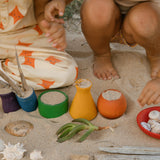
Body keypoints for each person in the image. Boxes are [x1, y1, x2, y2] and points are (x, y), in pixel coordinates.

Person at [45, 0, 160, 107]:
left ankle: (156, 56)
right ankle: (102, 54)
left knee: (145, 20)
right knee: (96, 8)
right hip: (103, 21)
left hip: (145, 16)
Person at [0, 0, 78, 90]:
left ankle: (4, 72)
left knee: (67, 72)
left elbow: (41, 12)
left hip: (28, 35)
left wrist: (49, 24)